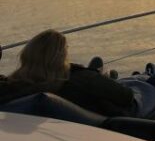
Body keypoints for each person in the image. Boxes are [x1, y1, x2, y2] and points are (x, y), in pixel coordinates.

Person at [5, 29, 136, 117]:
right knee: (143, 81)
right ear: (61, 56)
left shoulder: (12, 87)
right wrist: (95, 77)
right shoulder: (80, 79)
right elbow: (127, 96)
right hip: (118, 116)